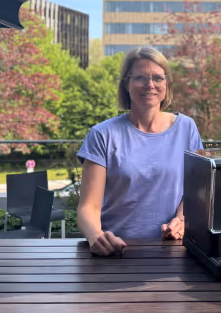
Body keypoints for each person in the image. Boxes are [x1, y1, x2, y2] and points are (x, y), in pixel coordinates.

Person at [76, 47, 203, 256]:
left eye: (158, 78)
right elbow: (87, 207)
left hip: (174, 249)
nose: (150, 85)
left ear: (167, 85)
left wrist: (180, 220)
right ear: (126, 84)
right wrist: (96, 237)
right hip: (117, 251)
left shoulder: (187, 128)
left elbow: (196, 191)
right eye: (141, 78)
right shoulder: (102, 134)